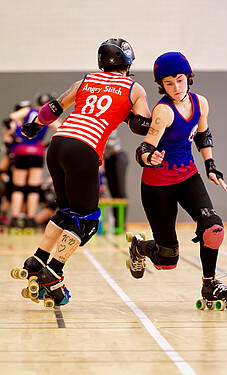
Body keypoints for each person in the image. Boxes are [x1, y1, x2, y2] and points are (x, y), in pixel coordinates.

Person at [17, 37, 151, 307]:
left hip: (58, 145)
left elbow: (53, 108)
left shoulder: (85, 81)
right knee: (88, 221)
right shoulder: (134, 89)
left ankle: (38, 260)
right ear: (128, 62)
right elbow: (141, 126)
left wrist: (34, 125)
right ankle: (53, 272)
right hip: (84, 148)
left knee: (67, 211)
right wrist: (141, 117)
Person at [126, 52, 227, 307]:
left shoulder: (201, 103)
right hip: (157, 186)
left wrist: (211, 166)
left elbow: (203, 134)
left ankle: (209, 285)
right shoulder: (163, 111)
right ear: (161, 86)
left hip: (188, 177)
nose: (176, 87)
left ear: (188, 77)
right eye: (169, 83)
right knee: (167, 259)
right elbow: (144, 148)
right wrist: (149, 158)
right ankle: (139, 248)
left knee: (213, 228)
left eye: (180, 80)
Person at [4, 100, 58, 230]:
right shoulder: (47, 115)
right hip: (37, 152)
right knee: (33, 188)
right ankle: (31, 219)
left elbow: (9, 119)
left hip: (21, 150)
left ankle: (16, 219)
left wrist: (14, 132)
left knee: (18, 187)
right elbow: (60, 128)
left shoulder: (29, 111)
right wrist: (46, 144)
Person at [103, 129, 129, 231]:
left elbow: (108, 142)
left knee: (119, 191)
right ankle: (116, 224)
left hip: (117, 156)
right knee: (112, 192)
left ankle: (121, 225)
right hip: (107, 158)